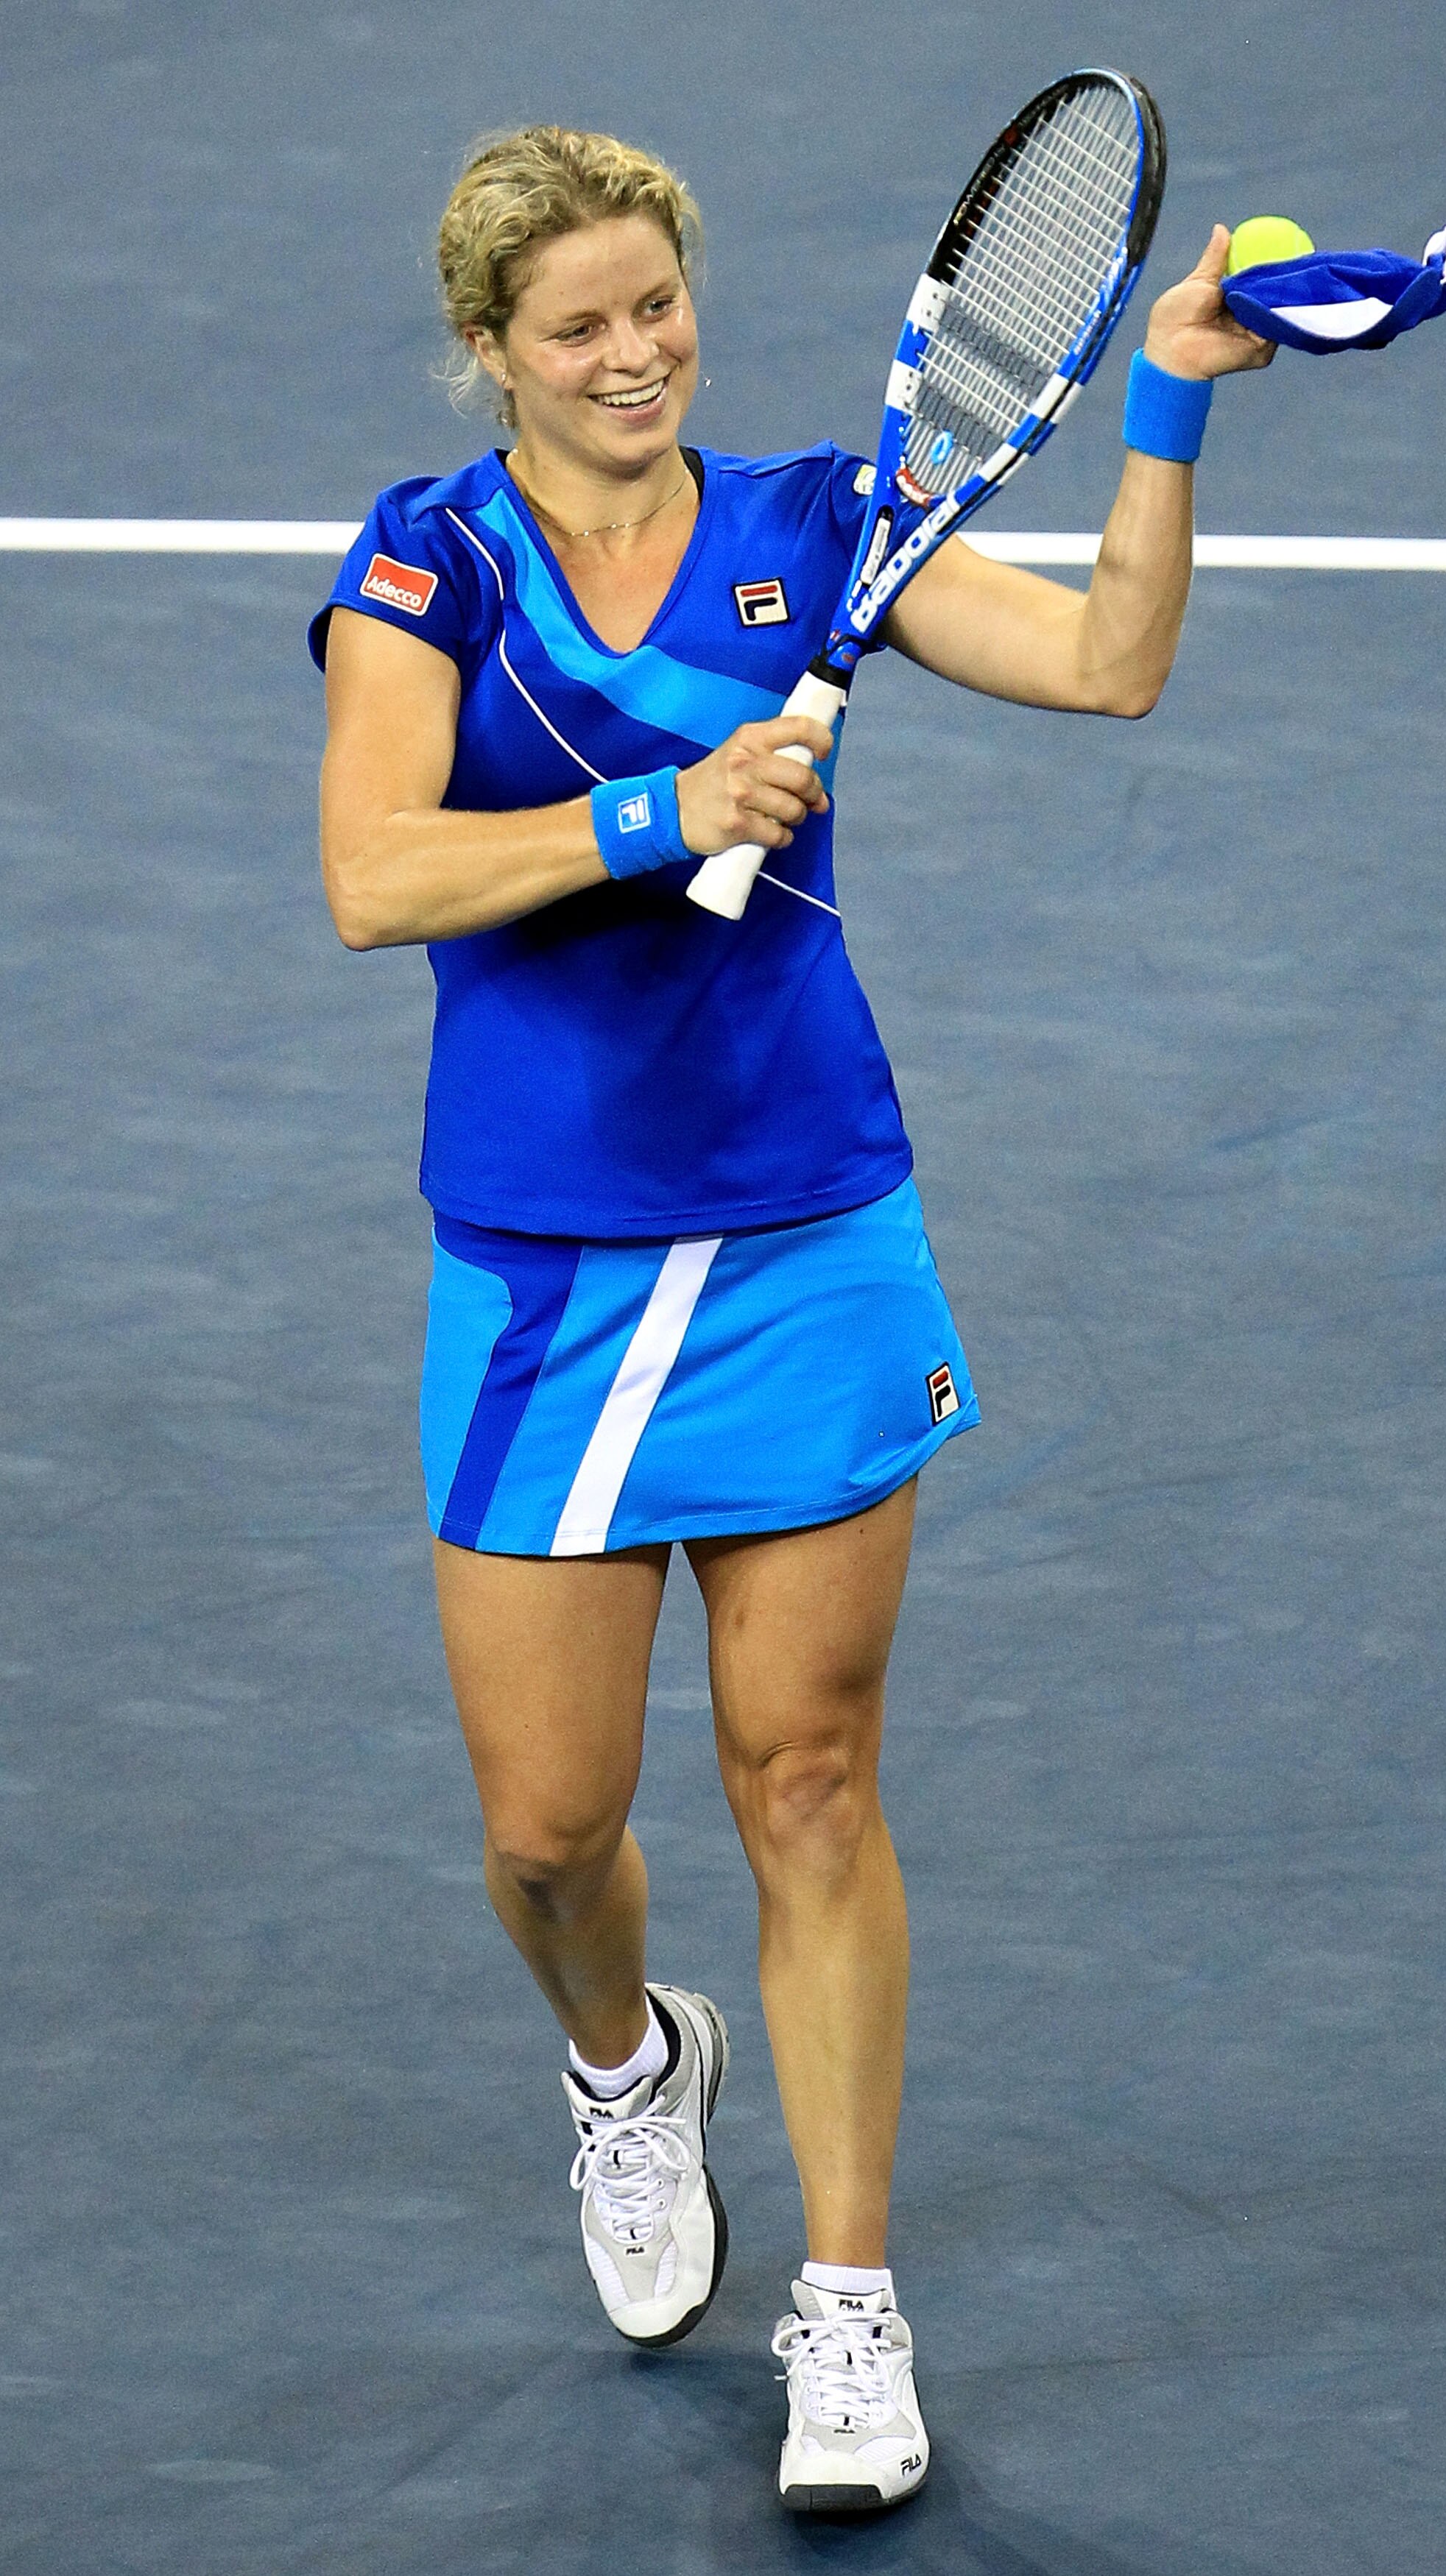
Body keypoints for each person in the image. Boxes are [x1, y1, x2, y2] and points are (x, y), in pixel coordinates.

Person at [312, 123, 1270, 2516]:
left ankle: (849, 2303)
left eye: (659, 307)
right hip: (541, 1278)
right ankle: (635, 2064)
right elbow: (373, 872)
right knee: (549, 1832)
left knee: (808, 1779)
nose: (634, 354)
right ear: (490, 354)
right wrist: (658, 813)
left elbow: (1113, 661)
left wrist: (1164, 396)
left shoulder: (826, 523)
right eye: (579, 327)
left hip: (804, 1240)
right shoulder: (421, 567)